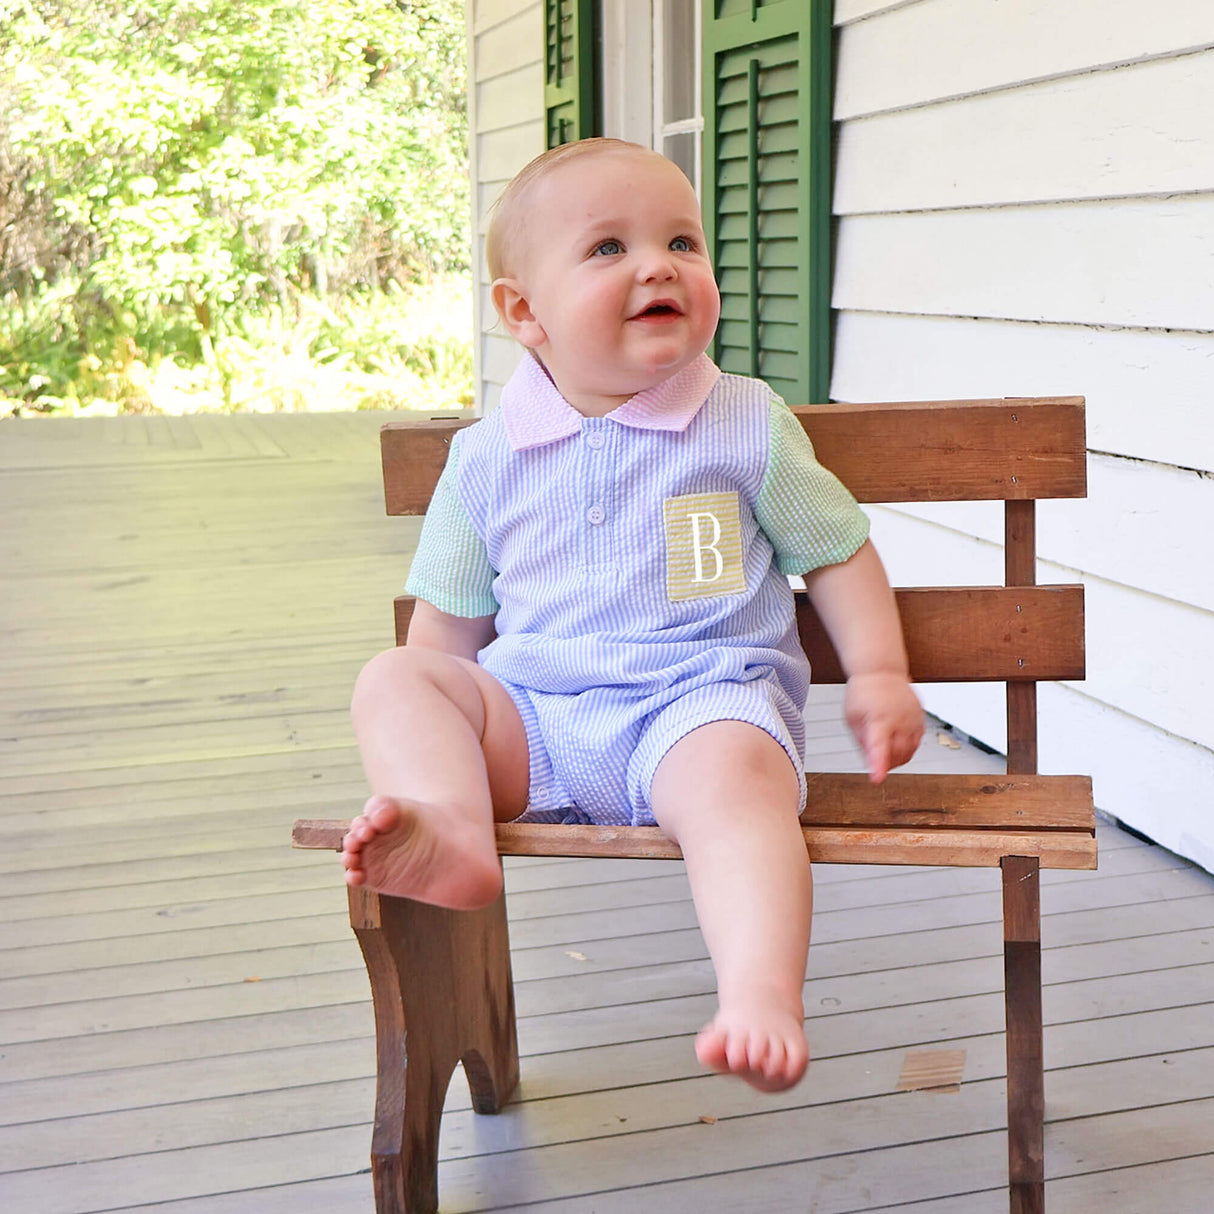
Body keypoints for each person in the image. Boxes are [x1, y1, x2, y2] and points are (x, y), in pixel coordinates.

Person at [341, 138, 923, 1092]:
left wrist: (881, 673)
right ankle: (448, 830)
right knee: (395, 677)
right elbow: (444, 634)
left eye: (682, 242)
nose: (659, 264)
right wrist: (436, 737)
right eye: (608, 248)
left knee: (737, 784)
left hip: (699, 707)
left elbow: (836, 549)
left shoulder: (742, 421)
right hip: (535, 721)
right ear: (524, 313)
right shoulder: (487, 459)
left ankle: (760, 990)